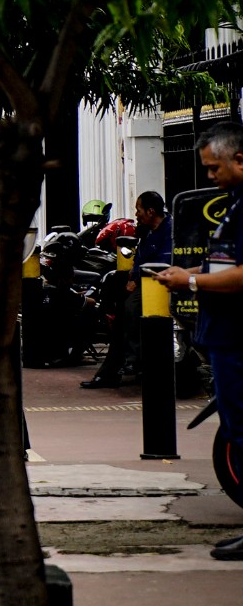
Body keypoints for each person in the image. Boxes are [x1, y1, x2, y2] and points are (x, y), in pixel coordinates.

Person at [152, 125, 243, 562]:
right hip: (223, 336)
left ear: (239, 159)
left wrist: (189, 279)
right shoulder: (233, 204)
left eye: (214, 167)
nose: (209, 175)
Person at [84, 191, 172, 389]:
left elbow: (164, 262)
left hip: (160, 282)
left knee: (131, 307)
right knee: (113, 292)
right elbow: (139, 258)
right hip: (143, 278)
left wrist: (137, 280)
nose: (136, 214)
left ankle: (132, 359)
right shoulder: (148, 231)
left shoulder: (170, 230)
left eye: (138, 210)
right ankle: (113, 366)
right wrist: (132, 276)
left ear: (150, 211)